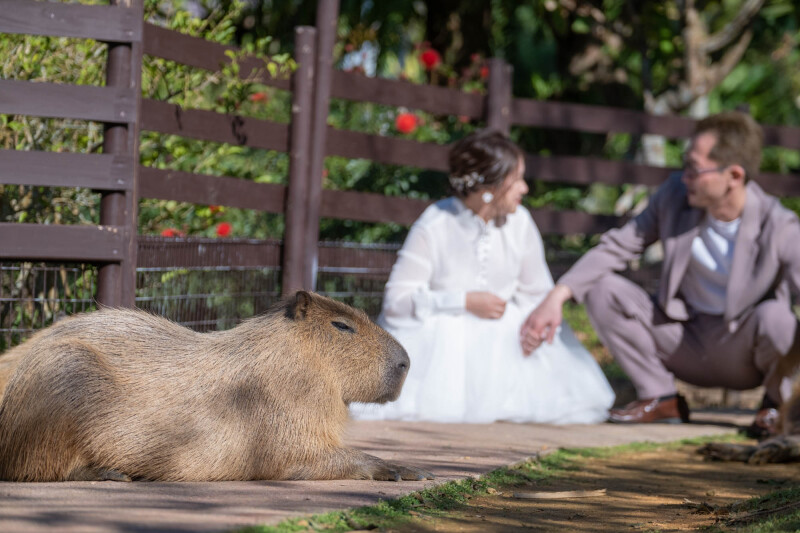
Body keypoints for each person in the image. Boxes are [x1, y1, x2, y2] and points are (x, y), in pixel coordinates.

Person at [521, 111, 800, 436]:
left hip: (745, 350)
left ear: (734, 175)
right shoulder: (674, 196)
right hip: (683, 338)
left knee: (779, 318)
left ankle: (775, 405)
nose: (685, 177)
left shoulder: (780, 225)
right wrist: (557, 296)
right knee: (602, 289)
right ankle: (660, 398)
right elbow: (618, 246)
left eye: (694, 169)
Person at [351, 129, 615, 424]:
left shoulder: (521, 222)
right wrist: (463, 302)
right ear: (490, 186)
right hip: (442, 349)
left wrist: (536, 329)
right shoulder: (435, 224)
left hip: (504, 345)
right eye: (517, 180)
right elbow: (396, 302)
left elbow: (536, 292)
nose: (525, 188)